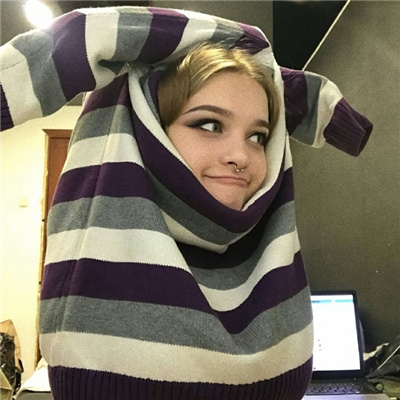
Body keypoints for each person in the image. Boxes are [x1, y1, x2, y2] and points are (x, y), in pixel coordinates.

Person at [0, 6, 373, 400]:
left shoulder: (271, 260)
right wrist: (244, 38)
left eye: (258, 137)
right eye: (209, 124)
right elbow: (83, 33)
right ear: (150, 130)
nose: (241, 156)